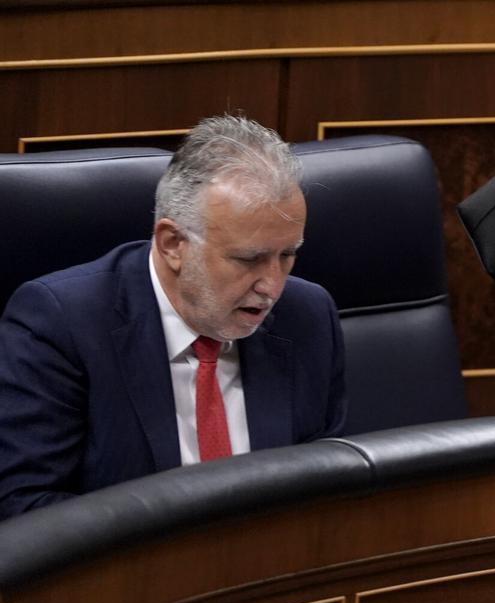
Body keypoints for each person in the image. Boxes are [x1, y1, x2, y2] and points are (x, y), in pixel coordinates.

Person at [0, 115, 347, 519]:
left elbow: (328, 487)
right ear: (173, 244)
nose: (272, 286)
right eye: (249, 259)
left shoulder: (308, 316)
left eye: (287, 255)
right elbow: (25, 507)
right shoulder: (61, 325)